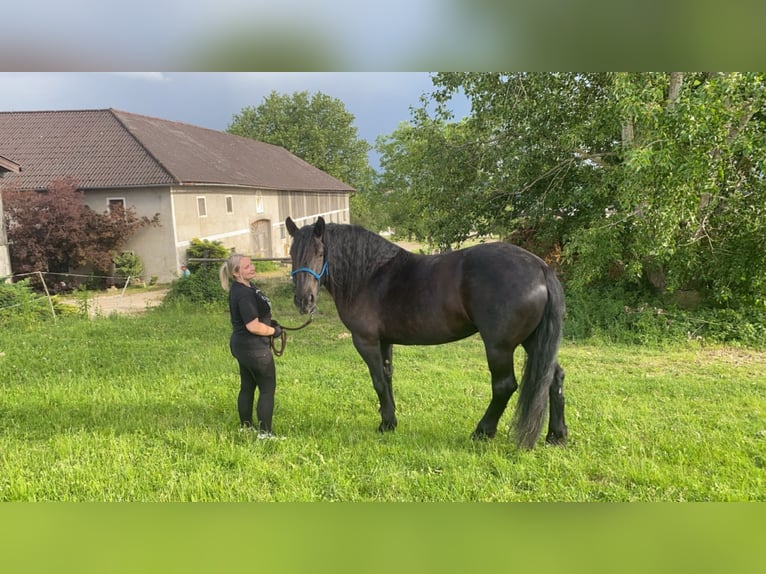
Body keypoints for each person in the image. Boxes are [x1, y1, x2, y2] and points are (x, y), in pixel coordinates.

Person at [219, 253, 284, 438]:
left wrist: (269, 322)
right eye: (247, 267)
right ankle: (265, 433)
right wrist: (273, 332)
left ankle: (246, 427)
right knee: (267, 389)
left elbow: (256, 317)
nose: (252, 268)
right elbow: (253, 326)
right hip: (254, 349)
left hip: (242, 346)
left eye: (251, 264)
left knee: (247, 386)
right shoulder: (244, 294)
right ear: (236, 273)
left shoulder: (245, 288)